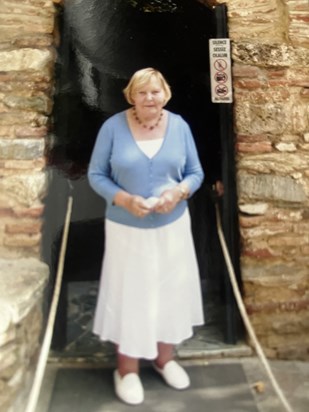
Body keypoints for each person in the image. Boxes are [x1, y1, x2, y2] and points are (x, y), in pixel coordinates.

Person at [88, 67, 205, 405]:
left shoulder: (180, 126)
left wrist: (179, 193)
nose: (150, 98)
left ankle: (164, 358)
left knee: (170, 289)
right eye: (142, 92)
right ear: (131, 96)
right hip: (127, 228)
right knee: (131, 294)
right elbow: (96, 175)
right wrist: (124, 199)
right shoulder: (112, 128)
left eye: (156, 91)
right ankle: (127, 369)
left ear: (165, 94)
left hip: (172, 226)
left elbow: (195, 173)